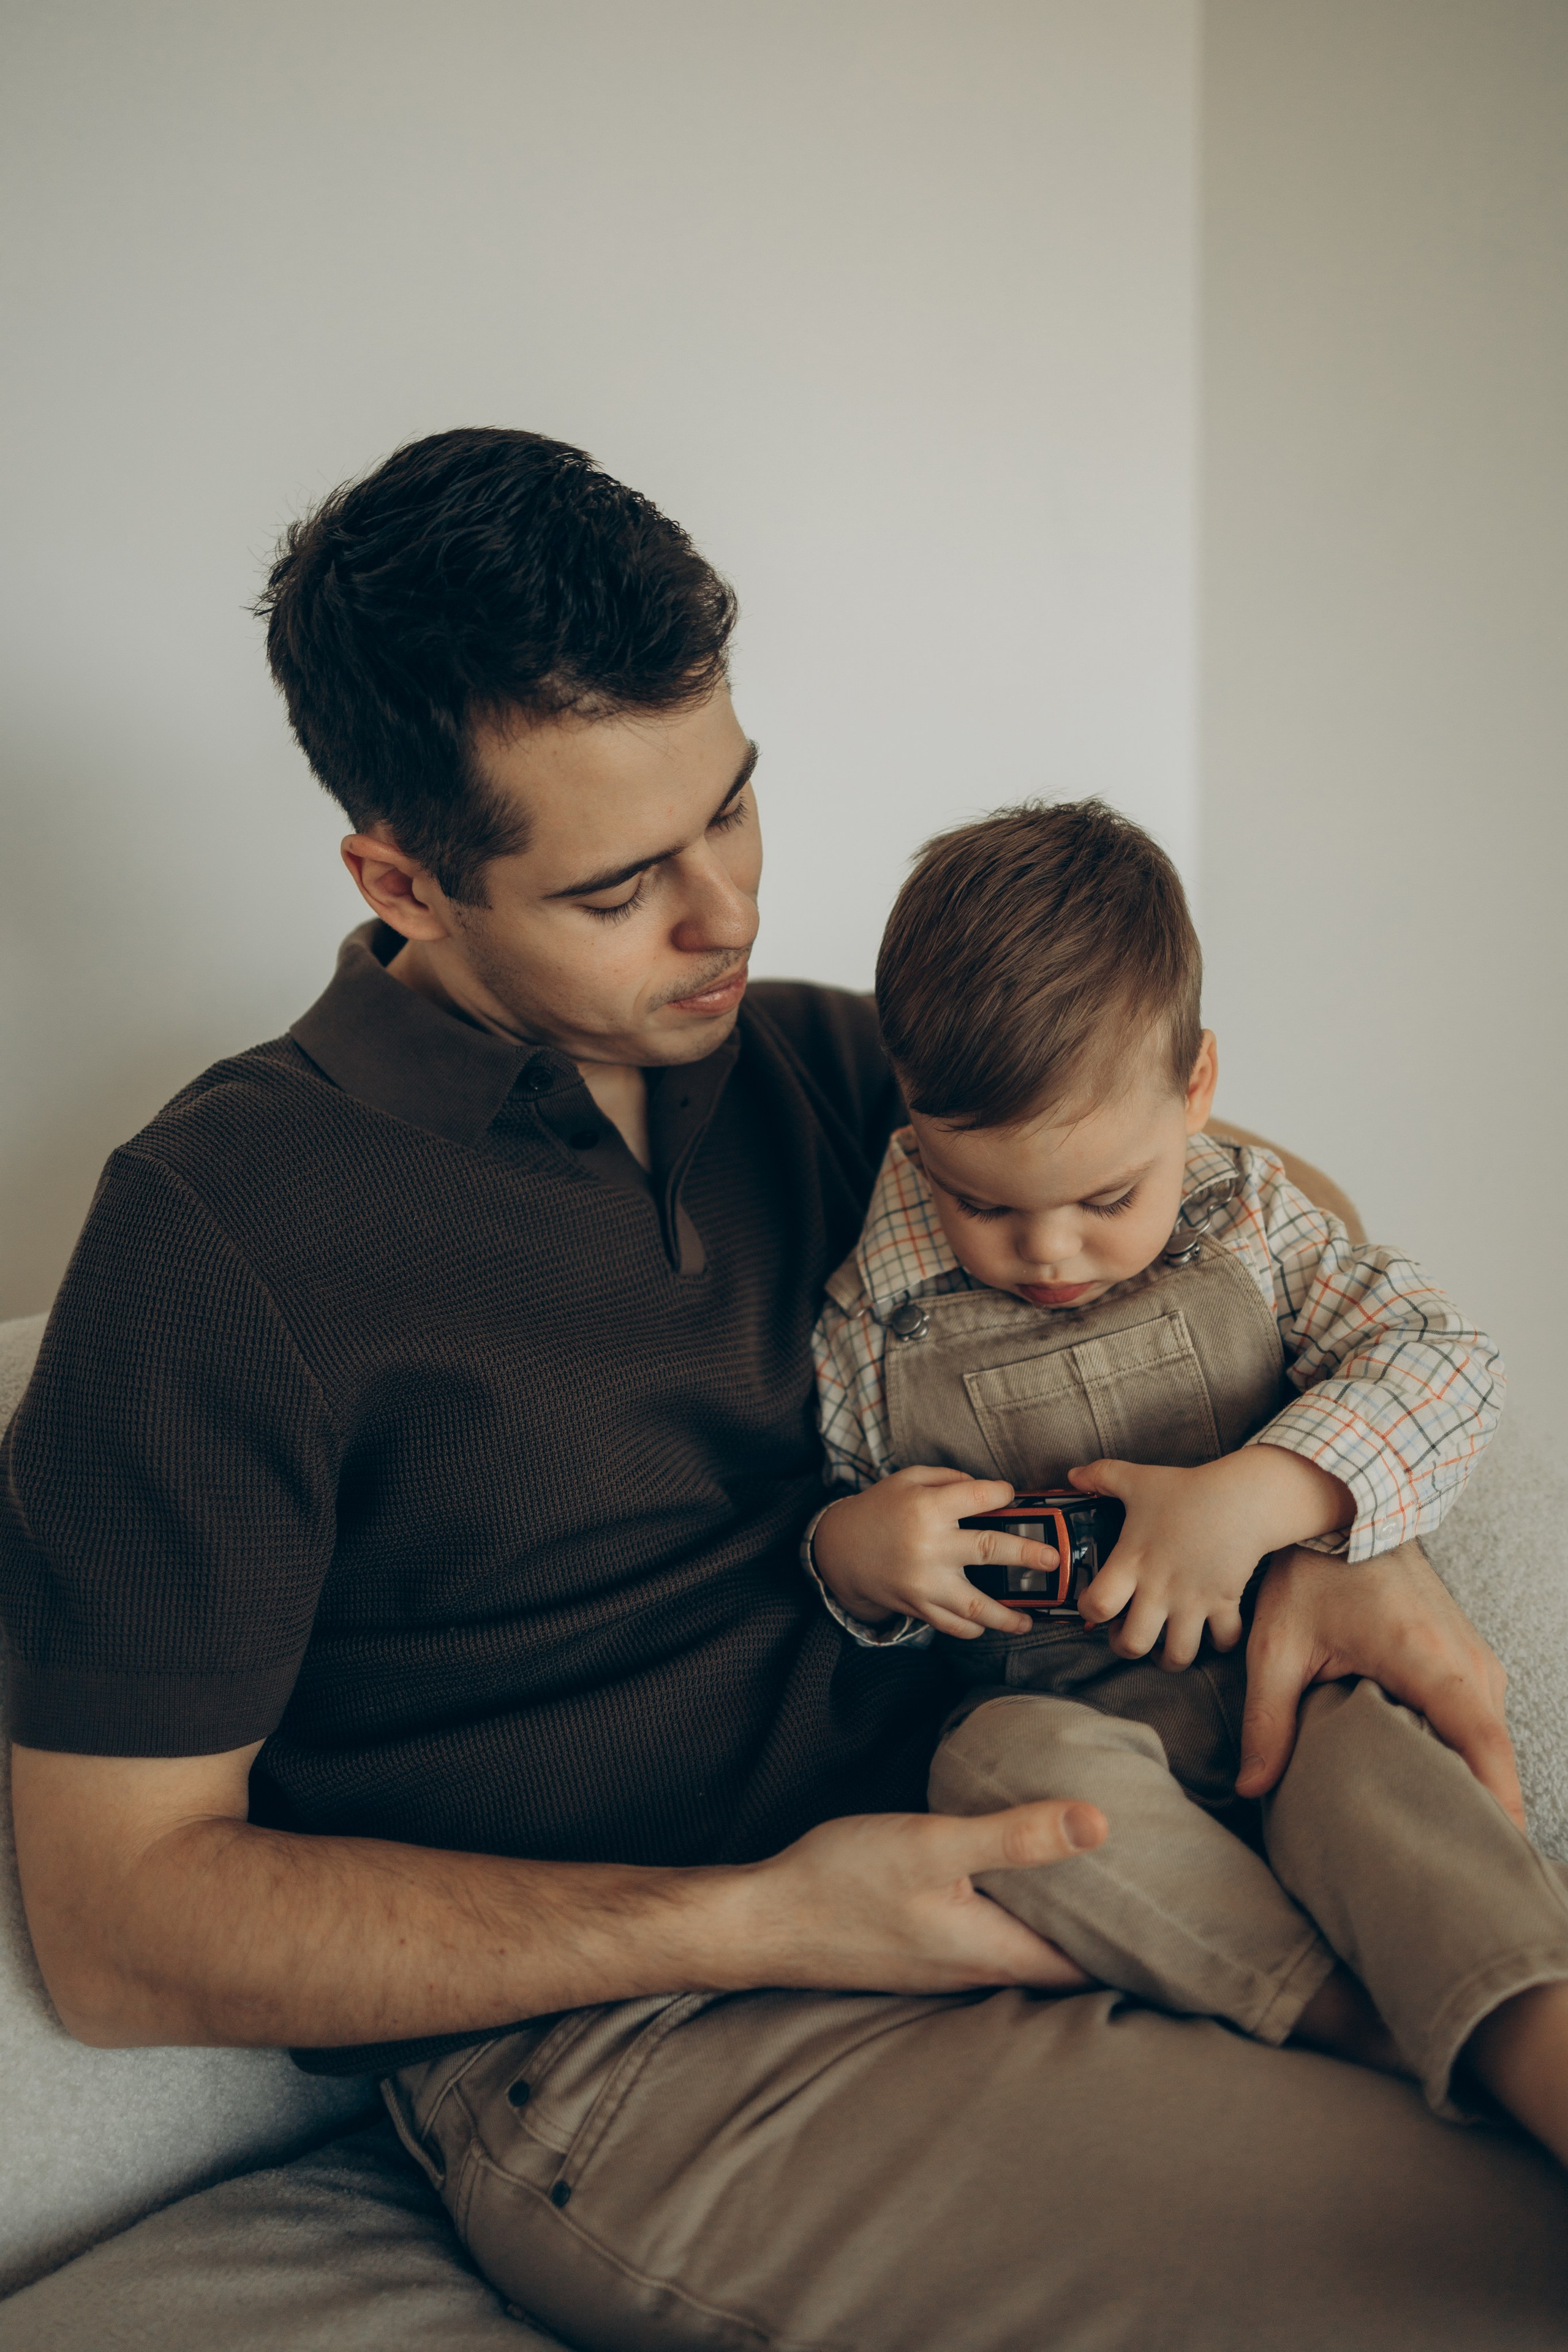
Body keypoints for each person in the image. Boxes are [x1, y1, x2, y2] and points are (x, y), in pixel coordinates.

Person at [2, 428, 1566, 2350]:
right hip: (663, 2043)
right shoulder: (213, 1238)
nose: (727, 913)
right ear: (401, 880)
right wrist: (759, 1920)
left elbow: (1241, 1186)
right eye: (619, 885)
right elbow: (121, 1925)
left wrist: (1321, 1507)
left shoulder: (830, 1072)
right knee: (1476, 2272)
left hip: (1063, 1833)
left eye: (734, 812)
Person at [808, 798, 1568, 2138]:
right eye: (979, 1201)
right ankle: (1342, 2022)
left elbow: (1448, 1361)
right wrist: (859, 1561)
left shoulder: (1252, 1222)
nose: (1047, 1252)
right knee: (988, 1769)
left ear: (1197, 1089)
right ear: (914, 1124)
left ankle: (1529, 2028)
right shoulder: (871, 1311)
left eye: (1106, 1198)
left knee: (1378, 1777)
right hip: (1074, 1717)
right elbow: (823, 1513)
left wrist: (1263, 1495)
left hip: (1285, 1664)